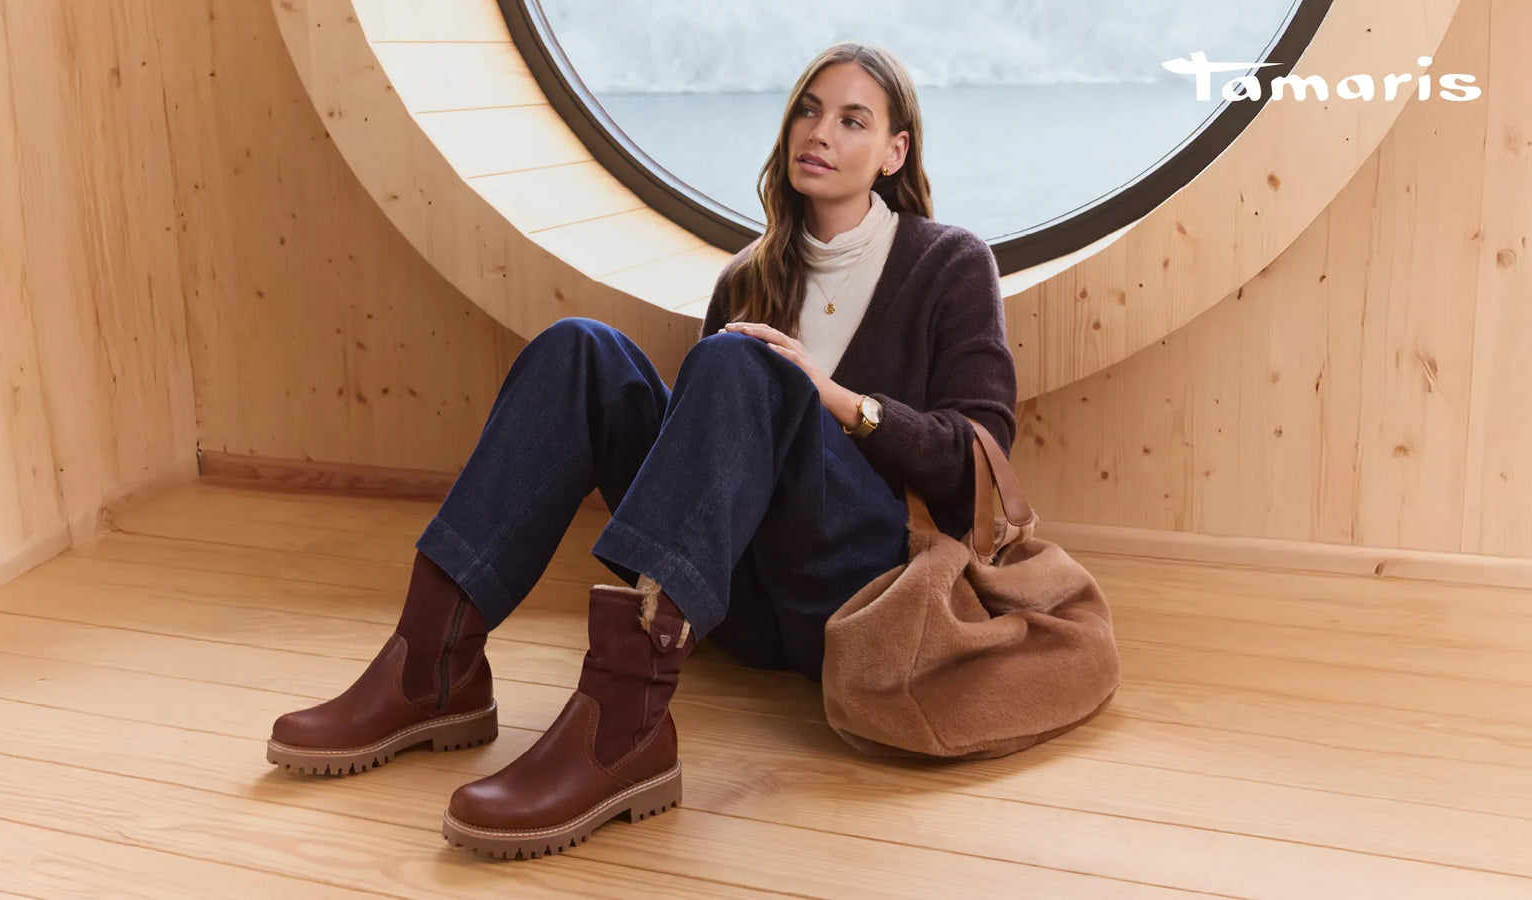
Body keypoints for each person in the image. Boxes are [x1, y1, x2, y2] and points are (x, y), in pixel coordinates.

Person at [265, 41, 1018, 859]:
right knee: (580, 349)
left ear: (894, 151)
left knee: (743, 363)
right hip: (740, 604)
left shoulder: (949, 264)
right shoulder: (748, 276)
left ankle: (623, 724)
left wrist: (832, 398)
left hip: (855, 591)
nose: (820, 131)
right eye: (808, 109)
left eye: (852, 120)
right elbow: (706, 467)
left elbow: (979, 457)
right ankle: (432, 665)